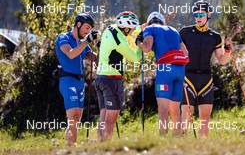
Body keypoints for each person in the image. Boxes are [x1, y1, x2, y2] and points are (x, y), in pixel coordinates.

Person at [180, 0, 233, 138]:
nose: (197, 17)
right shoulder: (185, 33)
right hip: (188, 78)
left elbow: (222, 60)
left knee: (205, 120)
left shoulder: (215, 37)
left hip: (206, 80)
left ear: (209, 15)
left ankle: (203, 148)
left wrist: (228, 51)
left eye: (201, 14)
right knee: (185, 116)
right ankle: (180, 147)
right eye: (196, 14)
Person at [137, 12, 189, 136]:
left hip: (164, 70)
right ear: (162, 21)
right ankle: (177, 139)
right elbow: (185, 52)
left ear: (149, 22)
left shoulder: (150, 28)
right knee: (175, 109)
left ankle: (163, 138)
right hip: (179, 70)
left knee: (163, 109)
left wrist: (138, 41)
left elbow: (147, 47)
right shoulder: (174, 30)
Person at [95, 11, 142, 141]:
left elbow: (134, 29)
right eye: (131, 29)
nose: (132, 31)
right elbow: (134, 58)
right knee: (112, 117)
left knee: (103, 115)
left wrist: (141, 28)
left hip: (100, 78)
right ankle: (107, 146)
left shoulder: (110, 29)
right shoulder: (120, 40)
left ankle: (100, 144)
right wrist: (139, 44)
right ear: (125, 28)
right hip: (111, 80)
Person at [55, 13, 98, 145]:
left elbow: (93, 57)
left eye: (90, 29)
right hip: (68, 80)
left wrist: (105, 47)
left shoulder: (81, 42)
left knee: (77, 118)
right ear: (78, 24)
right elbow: (71, 54)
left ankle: (68, 146)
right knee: (73, 116)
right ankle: (71, 148)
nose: (87, 31)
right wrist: (86, 41)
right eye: (86, 28)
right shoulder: (64, 37)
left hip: (80, 82)